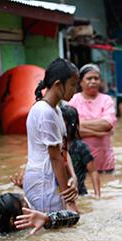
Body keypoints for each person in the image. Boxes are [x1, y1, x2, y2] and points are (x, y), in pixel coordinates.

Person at [24, 58, 79, 213]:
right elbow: (55, 158)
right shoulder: (45, 112)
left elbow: (63, 150)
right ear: (58, 85)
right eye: (72, 85)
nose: (75, 90)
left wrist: (72, 177)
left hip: (52, 180)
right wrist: (69, 198)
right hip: (43, 182)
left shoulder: (56, 110)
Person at [68, 64, 117, 172]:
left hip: (105, 161)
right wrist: (98, 133)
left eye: (96, 78)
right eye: (89, 78)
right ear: (80, 82)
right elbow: (70, 130)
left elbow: (108, 124)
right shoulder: (73, 100)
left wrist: (80, 124)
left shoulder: (107, 100)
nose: (93, 81)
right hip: (81, 160)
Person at [0, 193, 79, 235]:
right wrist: (47, 218)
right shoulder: (31, 232)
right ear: (12, 221)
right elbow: (75, 216)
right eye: (27, 207)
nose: (31, 210)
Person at [61, 105, 101, 197]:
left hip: (79, 193)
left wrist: (97, 196)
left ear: (71, 123)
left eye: (61, 120)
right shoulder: (53, 145)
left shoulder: (81, 147)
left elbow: (93, 171)